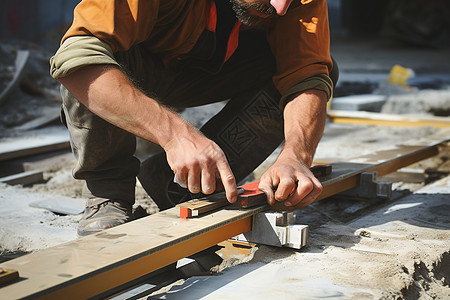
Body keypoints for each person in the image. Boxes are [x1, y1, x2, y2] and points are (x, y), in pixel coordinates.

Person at [50, 0, 338, 236]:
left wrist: (296, 155)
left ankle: (181, 185)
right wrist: (176, 136)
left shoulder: (291, 2)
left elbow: (306, 74)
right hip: (134, 70)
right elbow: (78, 60)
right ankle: (108, 193)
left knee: (318, 75)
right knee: (89, 59)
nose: (282, 7)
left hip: (208, 70)